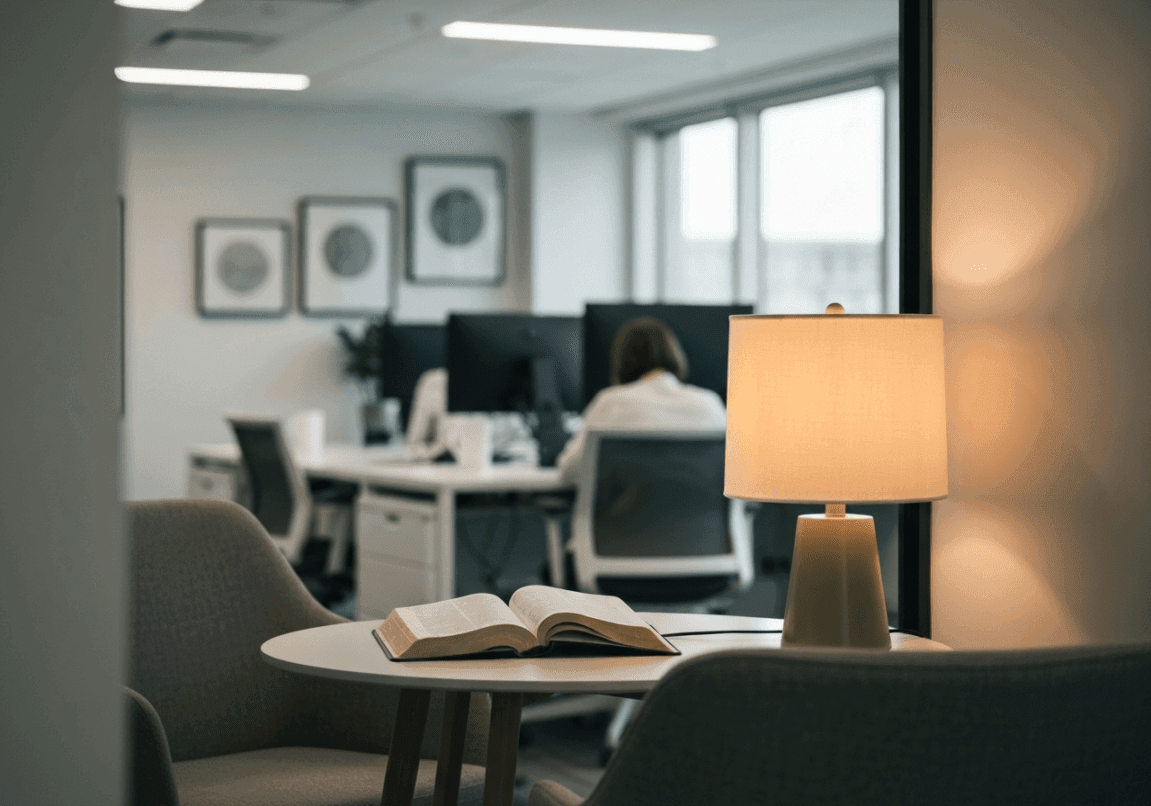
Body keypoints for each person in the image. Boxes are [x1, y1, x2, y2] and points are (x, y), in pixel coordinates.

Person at [555, 316, 726, 484]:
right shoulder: (710, 403)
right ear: (675, 354)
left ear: (623, 361)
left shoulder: (611, 402)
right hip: (695, 504)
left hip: (628, 503)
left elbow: (569, 470)